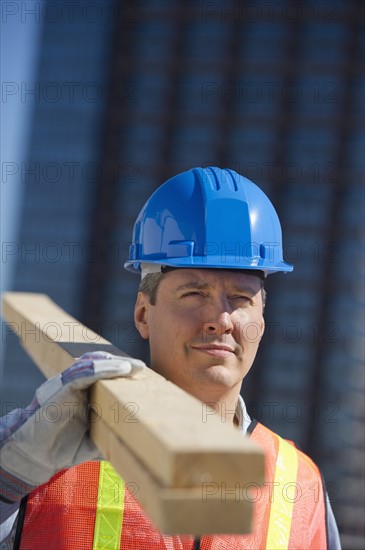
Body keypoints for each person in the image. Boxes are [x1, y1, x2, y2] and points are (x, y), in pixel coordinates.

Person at [0, 167, 341, 549]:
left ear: (262, 320)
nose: (221, 320)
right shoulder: (46, 442)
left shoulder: (300, 482)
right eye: (194, 294)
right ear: (143, 313)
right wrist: (8, 474)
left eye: (242, 299)